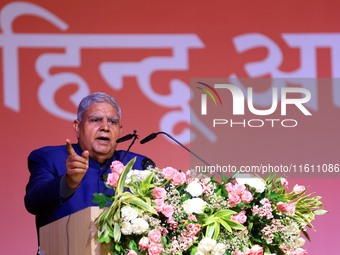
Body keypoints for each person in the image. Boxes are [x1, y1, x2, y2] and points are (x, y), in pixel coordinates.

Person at [24, 92, 154, 237]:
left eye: (112, 122)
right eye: (95, 120)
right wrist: (68, 182)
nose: (105, 127)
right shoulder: (50, 159)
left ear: (120, 131)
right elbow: (33, 202)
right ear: (78, 127)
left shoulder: (139, 166)